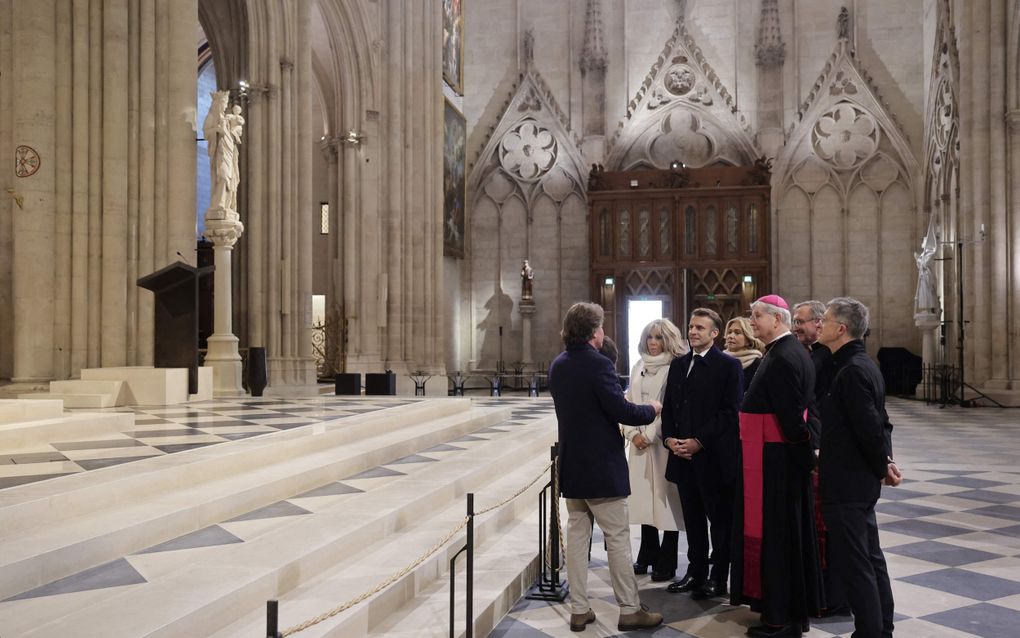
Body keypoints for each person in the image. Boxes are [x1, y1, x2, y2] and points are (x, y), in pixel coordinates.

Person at [548, 302, 664, 632]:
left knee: (577, 536)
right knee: (617, 539)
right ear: (593, 333)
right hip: (601, 466)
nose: (603, 332)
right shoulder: (597, 364)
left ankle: (579, 609)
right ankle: (629, 609)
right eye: (600, 327)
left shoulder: (559, 364)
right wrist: (652, 410)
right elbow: (621, 410)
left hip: (573, 464)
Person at [731, 294, 822, 637]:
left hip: (775, 462)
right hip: (773, 458)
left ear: (777, 319)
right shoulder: (784, 352)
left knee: (778, 538)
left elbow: (791, 418)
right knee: (781, 536)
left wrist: (803, 458)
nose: (752, 321)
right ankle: (783, 611)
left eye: (756, 316)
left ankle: (781, 619)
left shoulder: (784, 356)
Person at [817, 297, 901, 638]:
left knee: (856, 564)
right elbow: (881, 423)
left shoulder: (851, 370)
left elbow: (870, 427)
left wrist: (883, 463)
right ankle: (881, 627)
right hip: (858, 479)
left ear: (841, 328)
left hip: (847, 482)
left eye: (824, 320)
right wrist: (885, 461)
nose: (820, 325)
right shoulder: (861, 364)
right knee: (870, 556)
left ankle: (869, 632)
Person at [661, 308, 743, 600]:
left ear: (714, 334)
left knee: (719, 522)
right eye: (691, 326)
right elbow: (670, 406)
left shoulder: (728, 367)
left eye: (700, 327)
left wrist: (698, 441)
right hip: (681, 456)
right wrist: (669, 438)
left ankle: (718, 578)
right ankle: (695, 572)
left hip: (713, 458)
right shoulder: (679, 364)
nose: (693, 331)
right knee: (693, 520)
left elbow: (729, 413)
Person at [624, 319, 688, 582]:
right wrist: (631, 433)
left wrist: (649, 435)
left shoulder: (676, 367)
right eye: (649, 337)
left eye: (659, 338)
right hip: (638, 444)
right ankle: (647, 553)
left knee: (665, 501)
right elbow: (627, 402)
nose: (653, 343)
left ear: (668, 340)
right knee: (643, 500)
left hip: (661, 445)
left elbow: (670, 407)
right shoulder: (638, 365)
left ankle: (668, 560)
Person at [793, 299, 846, 617]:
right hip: (807, 446)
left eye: (803, 321)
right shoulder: (804, 354)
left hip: (823, 447)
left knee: (828, 526)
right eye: (794, 321)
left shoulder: (830, 358)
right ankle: (814, 590)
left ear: (819, 324)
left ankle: (833, 595)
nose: (797, 327)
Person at [724, 316, 764, 391]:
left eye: (737, 333)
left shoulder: (758, 364)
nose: (731, 336)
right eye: (729, 332)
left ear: (749, 338)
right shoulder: (720, 359)